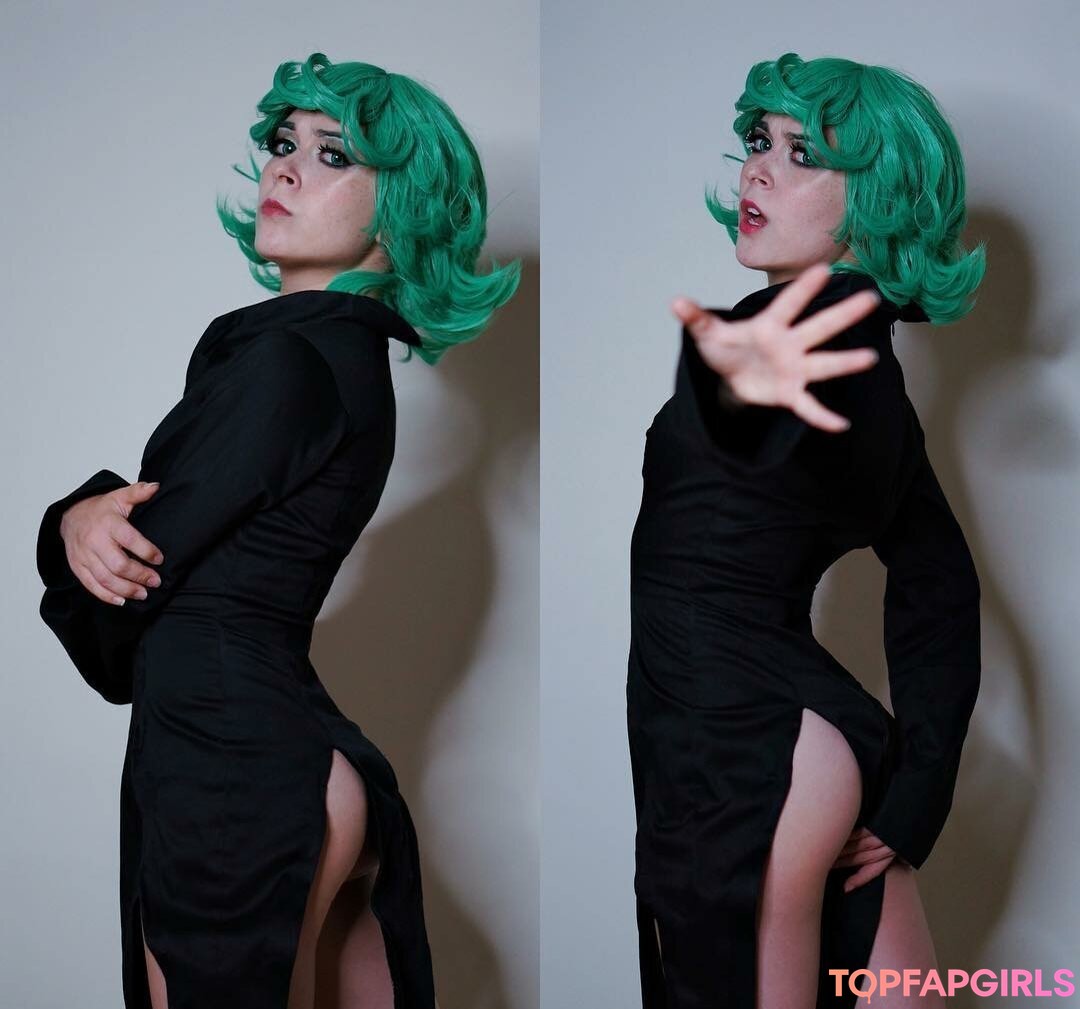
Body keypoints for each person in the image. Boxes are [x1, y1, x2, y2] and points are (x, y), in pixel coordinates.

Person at [36, 52, 519, 1009]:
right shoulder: (343, 366)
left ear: (401, 208)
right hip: (293, 754)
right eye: (282, 143)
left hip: (234, 765)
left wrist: (66, 528)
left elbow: (127, 592)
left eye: (333, 154)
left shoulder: (288, 362)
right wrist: (83, 520)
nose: (287, 168)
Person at [625, 53, 984, 1008]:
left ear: (878, 195)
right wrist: (915, 795)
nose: (758, 169)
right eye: (759, 142)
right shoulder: (857, 359)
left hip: (738, 749)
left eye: (803, 154)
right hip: (811, 745)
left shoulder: (814, 346)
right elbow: (941, 585)